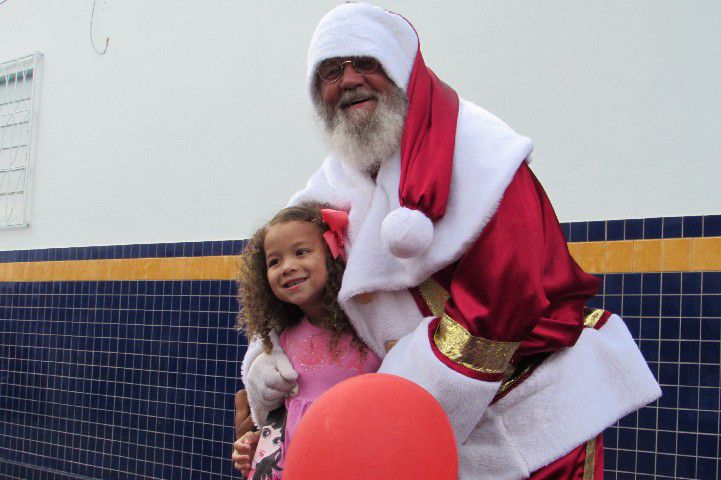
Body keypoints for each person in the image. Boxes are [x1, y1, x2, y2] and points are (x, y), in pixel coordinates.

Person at [242, 4, 661, 478]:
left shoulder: (482, 154)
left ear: (398, 67)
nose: (350, 80)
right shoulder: (334, 178)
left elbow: (500, 305)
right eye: (332, 72)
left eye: (367, 63)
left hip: (534, 422)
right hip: (416, 428)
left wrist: (393, 416)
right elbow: (288, 277)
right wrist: (266, 357)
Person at [232, 203, 381, 478]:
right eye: (274, 261)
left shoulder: (371, 337)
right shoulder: (281, 343)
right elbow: (281, 421)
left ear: (333, 255)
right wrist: (253, 442)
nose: (287, 267)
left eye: (301, 252)